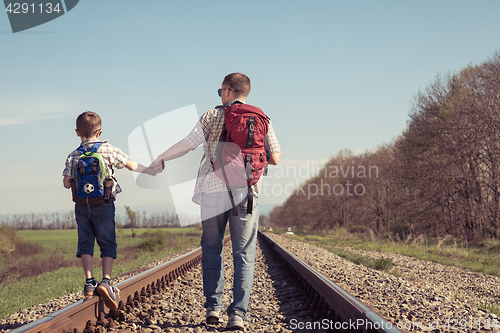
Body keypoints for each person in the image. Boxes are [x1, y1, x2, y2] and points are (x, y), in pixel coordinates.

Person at [150, 73, 281, 330]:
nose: (220, 95)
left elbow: (188, 144)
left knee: (212, 248)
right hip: (247, 192)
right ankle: (238, 315)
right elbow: (275, 157)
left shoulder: (212, 115)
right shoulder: (263, 118)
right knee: (244, 253)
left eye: (220, 90)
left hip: (212, 190)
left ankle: (213, 309)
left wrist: (161, 158)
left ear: (228, 90)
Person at [62, 111, 156, 311]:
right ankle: (106, 281)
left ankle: (89, 283)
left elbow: (65, 183)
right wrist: (150, 169)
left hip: (81, 205)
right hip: (104, 204)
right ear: (100, 131)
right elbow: (130, 165)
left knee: (85, 242)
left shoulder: (73, 155)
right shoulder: (108, 150)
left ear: (77, 132)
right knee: (107, 242)